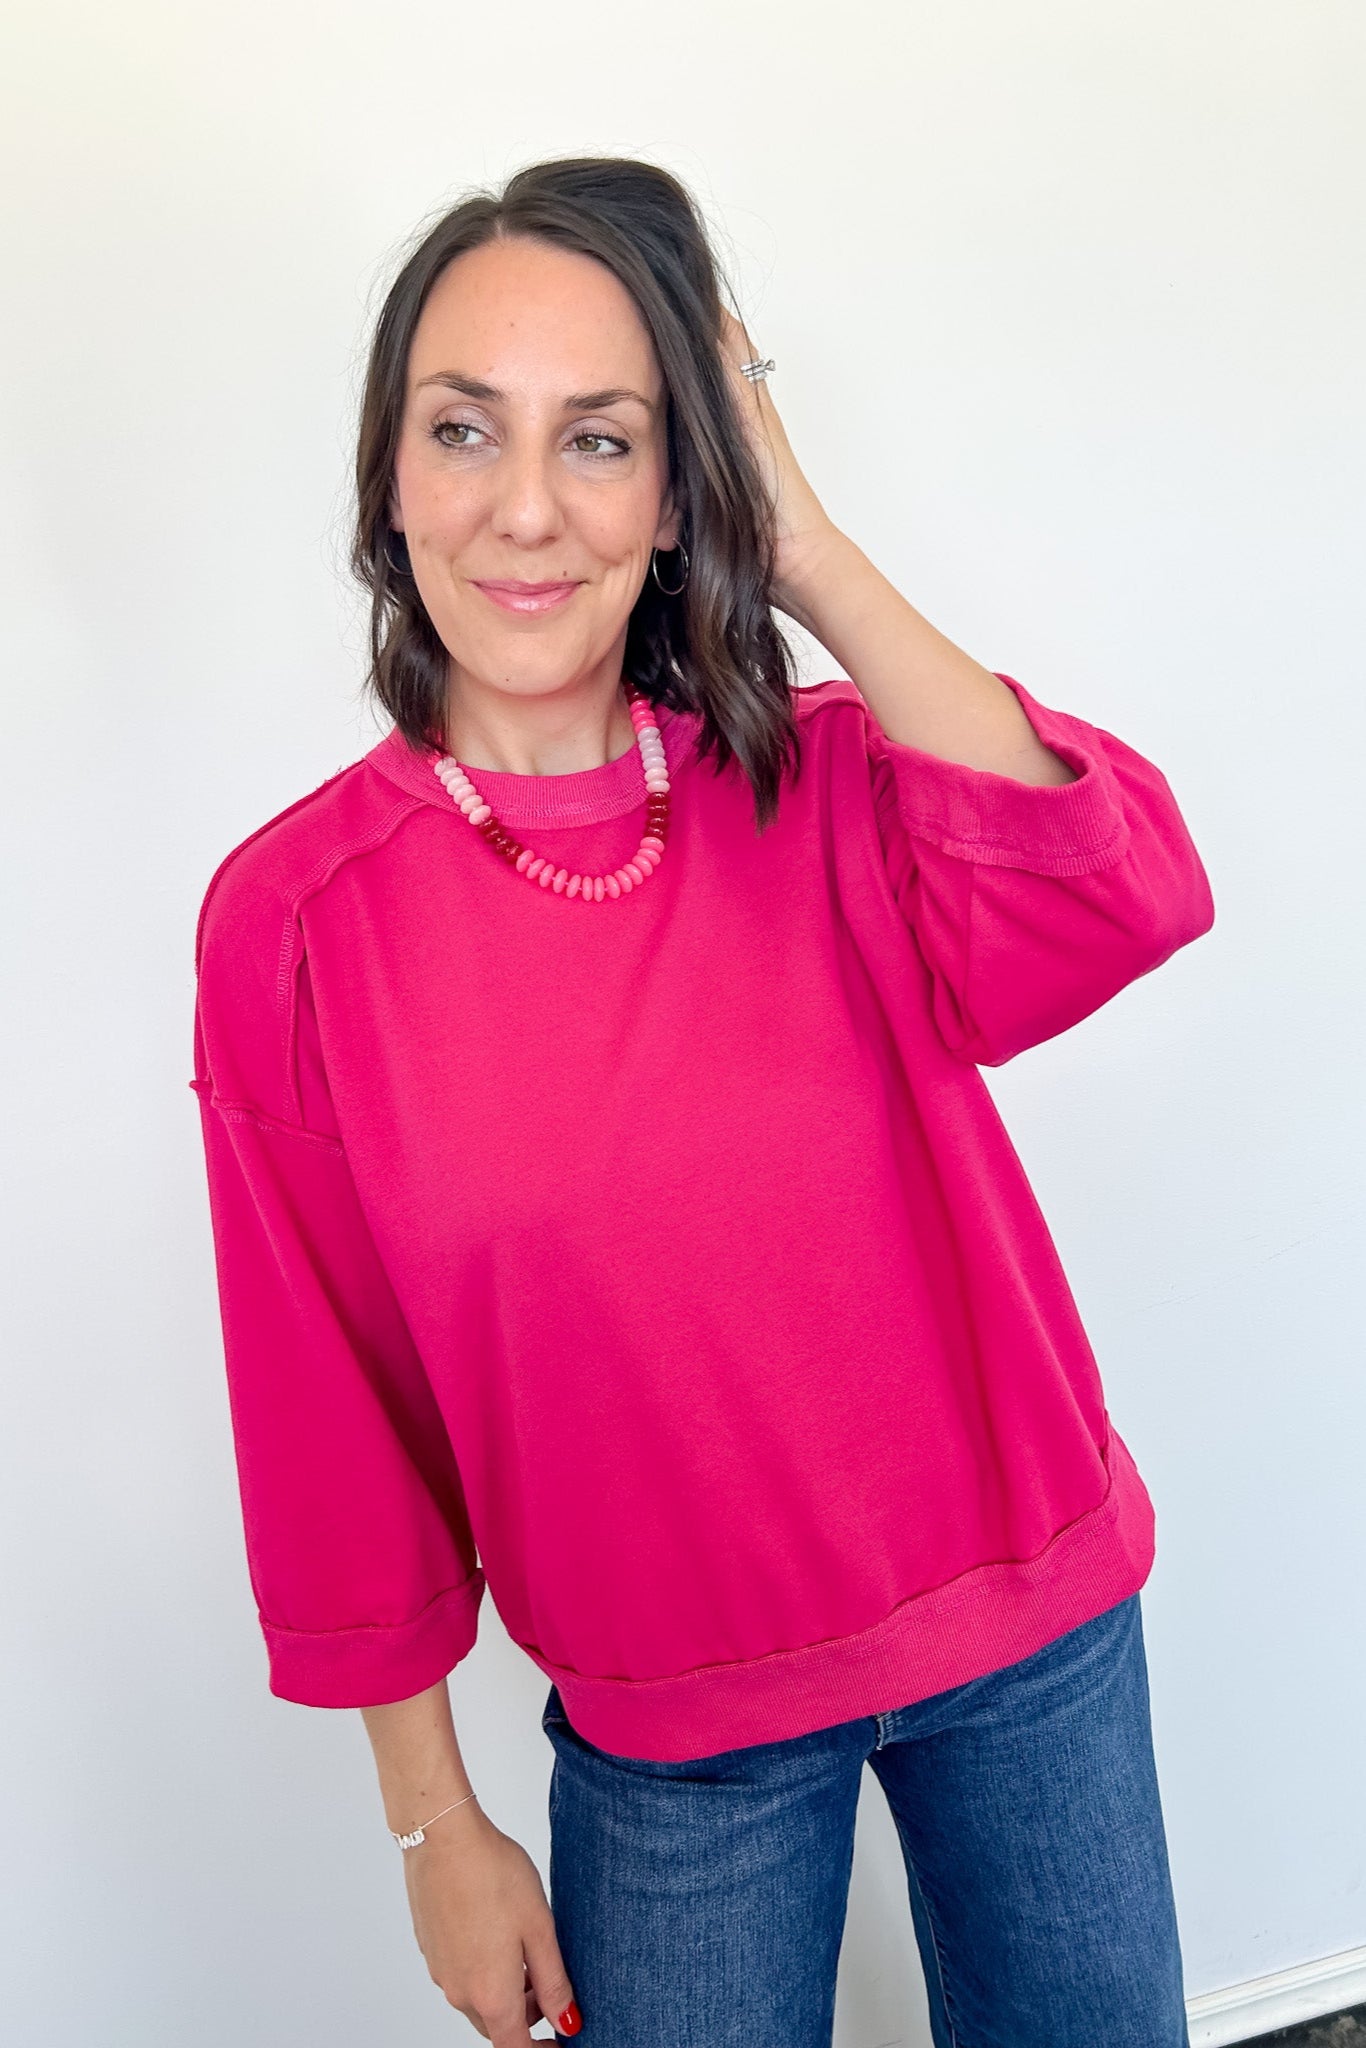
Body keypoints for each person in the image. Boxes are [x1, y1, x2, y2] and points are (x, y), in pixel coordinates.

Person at [189, 156, 1214, 2048]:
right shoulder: (297, 924)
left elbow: (1122, 889)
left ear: (680, 492)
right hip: (676, 1747)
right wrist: (436, 1826)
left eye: (602, 440)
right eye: (461, 430)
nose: (520, 508)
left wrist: (804, 547)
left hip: (1032, 1645)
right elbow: (328, 1407)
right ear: (387, 477)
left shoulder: (831, 784)